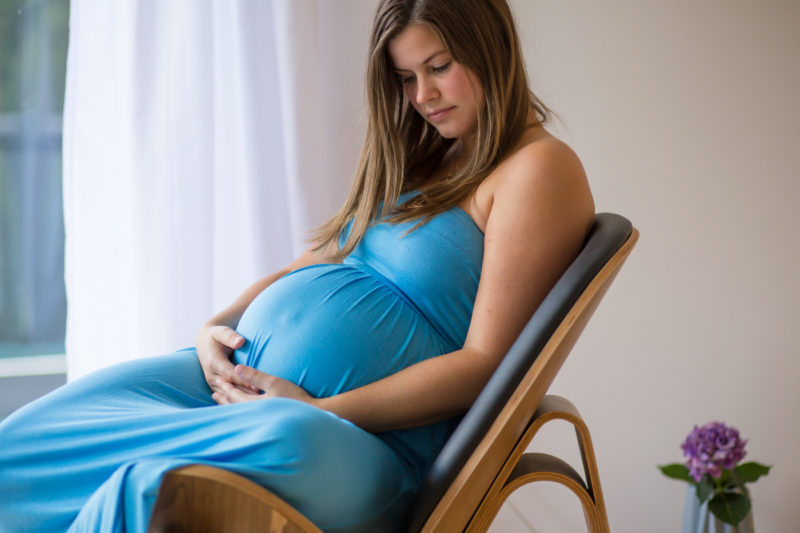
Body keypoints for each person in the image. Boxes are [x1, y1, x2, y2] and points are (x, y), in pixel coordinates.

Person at [0, 0, 593, 531]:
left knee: (183, 473)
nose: (422, 97)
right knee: (21, 447)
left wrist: (314, 408)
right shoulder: (423, 154)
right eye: (406, 77)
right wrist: (214, 327)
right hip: (232, 384)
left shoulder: (538, 170)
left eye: (438, 68)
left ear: (494, 49)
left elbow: (483, 365)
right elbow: (306, 265)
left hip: (351, 440)